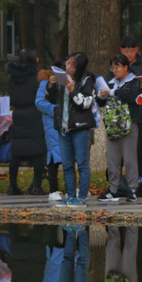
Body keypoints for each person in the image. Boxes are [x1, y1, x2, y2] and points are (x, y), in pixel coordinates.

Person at [46, 52, 97, 209]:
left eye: (71, 65)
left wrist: (72, 89)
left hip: (80, 127)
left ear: (79, 67)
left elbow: (85, 103)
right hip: (64, 127)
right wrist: (52, 85)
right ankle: (70, 196)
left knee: (82, 163)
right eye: (67, 64)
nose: (67, 67)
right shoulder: (63, 79)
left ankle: (81, 197)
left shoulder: (87, 80)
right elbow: (52, 99)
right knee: (67, 164)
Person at [96, 54, 142, 204]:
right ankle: (113, 189)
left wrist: (112, 92)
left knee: (129, 159)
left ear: (126, 67)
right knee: (112, 159)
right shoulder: (110, 83)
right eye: (113, 68)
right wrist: (101, 95)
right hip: (112, 126)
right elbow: (100, 102)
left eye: (118, 67)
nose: (115, 71)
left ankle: (133, 189)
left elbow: (130, 95)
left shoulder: (134, 81)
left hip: (129, 125)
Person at [6, 48, 47, 196]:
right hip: (35, 114)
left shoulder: (13, 77)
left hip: (18, 114)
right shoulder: (37, 76)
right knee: (37, 151)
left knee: (16, 153)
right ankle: (37, 186)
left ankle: (12, 186)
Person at [117, 36, 142, 196]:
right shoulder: (117, 65)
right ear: (121, 50)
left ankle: (141, 181)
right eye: (126, 51)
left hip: (140, 116)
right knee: (119, 152)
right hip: (119, 116)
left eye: (132, 51)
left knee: (140, 150)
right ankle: (118, 184)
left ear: (137, 50)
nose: (129, 54)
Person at [36, 63, 64, 202]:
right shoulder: (45, 83)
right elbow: (39, 102)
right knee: (53, 156)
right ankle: (53, 189)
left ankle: (70, 188)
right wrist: (56, 110)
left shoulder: (66, 81)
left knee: (67, 156)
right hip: (52, 123)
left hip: (65, 122)